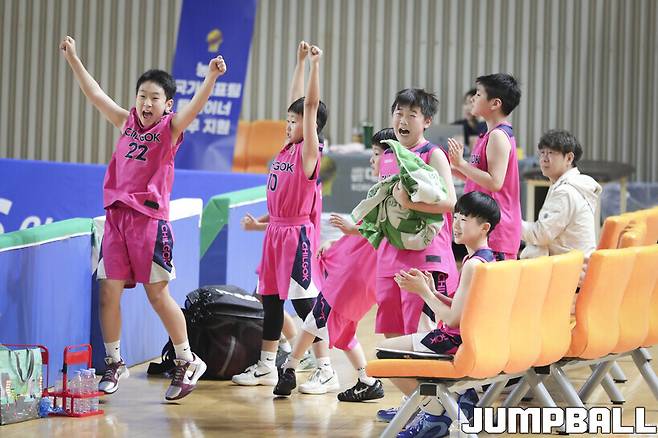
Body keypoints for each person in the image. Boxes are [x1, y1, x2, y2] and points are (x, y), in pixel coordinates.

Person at [60, 36, 227, 400]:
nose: (146, 103)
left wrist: (211, 78)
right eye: (142, 96)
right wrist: (73, 58)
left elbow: (195, 108)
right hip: (116, 219)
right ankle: (114, 361)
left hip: (149, 223)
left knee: (157, 295)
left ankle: (187, 359)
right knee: (108, 293)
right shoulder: (126, 123)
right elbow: (95, 94)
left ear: (167, 105)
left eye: (154, 98)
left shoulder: (170, 129)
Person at [232, 41, 332, 389]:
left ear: (311, 125)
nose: (288, 125)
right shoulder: (286, 148)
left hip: (296, 238)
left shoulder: (308, 153)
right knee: (271, 302)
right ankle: (266, 366)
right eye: (288, 120)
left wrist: (315, 66)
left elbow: (309, 104)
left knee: (306, 305)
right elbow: (297, 101)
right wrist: (299, 62)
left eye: (294, 121)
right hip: (276, 234)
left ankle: (326, 367)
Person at [273, 128, 397, 401]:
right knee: (340, 326)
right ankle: (366, 380)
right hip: (352, 268)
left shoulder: (395, 196)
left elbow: (380, 234)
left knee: (318, 316)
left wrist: (353, 231)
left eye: (377, 154)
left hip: (360, 274)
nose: (372, 159)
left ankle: (291, 368)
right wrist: (337, 243)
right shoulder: (380, 192)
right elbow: (362, 234)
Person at [377, 191, 501, 437]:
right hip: (474, 339)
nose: (456, 224)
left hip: (456, 341)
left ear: (484, 227)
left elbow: (453, 319)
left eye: (464, 220)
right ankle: (461, 396)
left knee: (383, 354)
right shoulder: (489, 259)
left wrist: (423, 293)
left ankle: (435, 411)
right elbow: (467, 308)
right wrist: (434, 292)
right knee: (397, 350)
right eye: (456, 217)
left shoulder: (473, 265)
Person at [376, 89, 458, 340]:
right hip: (390, 256)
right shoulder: (388, 155)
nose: (403, 120)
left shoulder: (433, 154)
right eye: (398, 113)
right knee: (391, 333)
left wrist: (409, 203)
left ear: (427, 121)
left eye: (412, 115)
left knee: (421, 335)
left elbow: (450, 202)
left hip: (424, 258)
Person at [448, 73, 522, 261]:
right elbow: (480, 179)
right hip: (487, 228)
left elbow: (495, 183)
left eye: (478, 94)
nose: (473, 99)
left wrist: (462, 164)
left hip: (497, 230)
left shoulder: (498, 136)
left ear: (495, 103)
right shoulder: (489, 134)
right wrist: (453, 168)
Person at [520, 129, 601, 259]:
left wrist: (510, 223)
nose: (544, 159)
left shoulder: (565, 192)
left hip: (571, 268)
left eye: (551, 153)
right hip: (573, 263)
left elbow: (541, 235)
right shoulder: (570, 184)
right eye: (542, 153)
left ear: (569, 158)